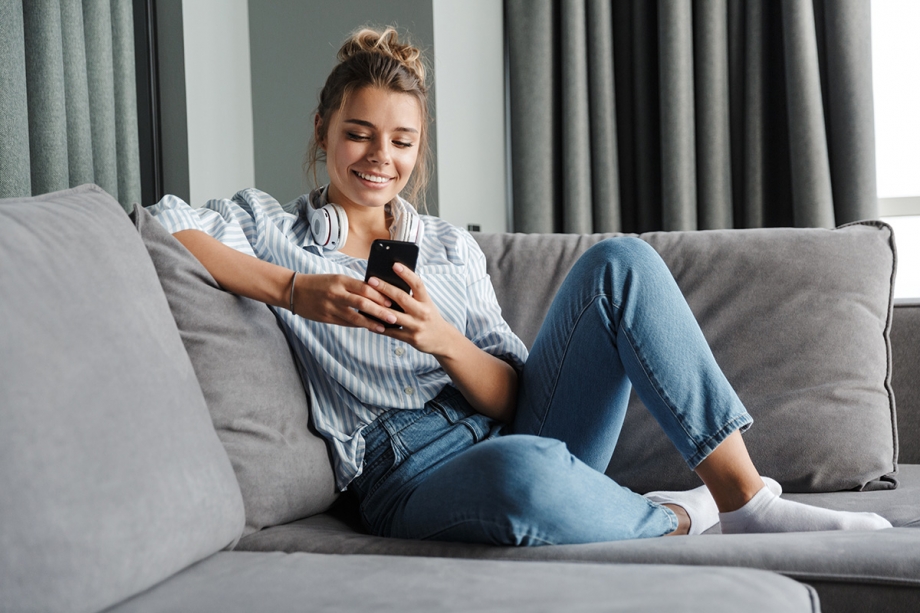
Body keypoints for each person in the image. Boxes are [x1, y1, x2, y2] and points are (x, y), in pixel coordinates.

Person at [150, 27, 891, 544]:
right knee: (524, 472)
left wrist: (442, 340)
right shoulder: (270, 226)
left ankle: (745, 497)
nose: (380, 157)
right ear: (322, 130)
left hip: (512, 422)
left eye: (401, 141)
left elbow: (510, 393)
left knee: (620, 262)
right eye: (358, 133)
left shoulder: (444, 245)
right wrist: (292, 289)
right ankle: (679, 516)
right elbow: (167, 222)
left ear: (418, 148)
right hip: (406, 468)